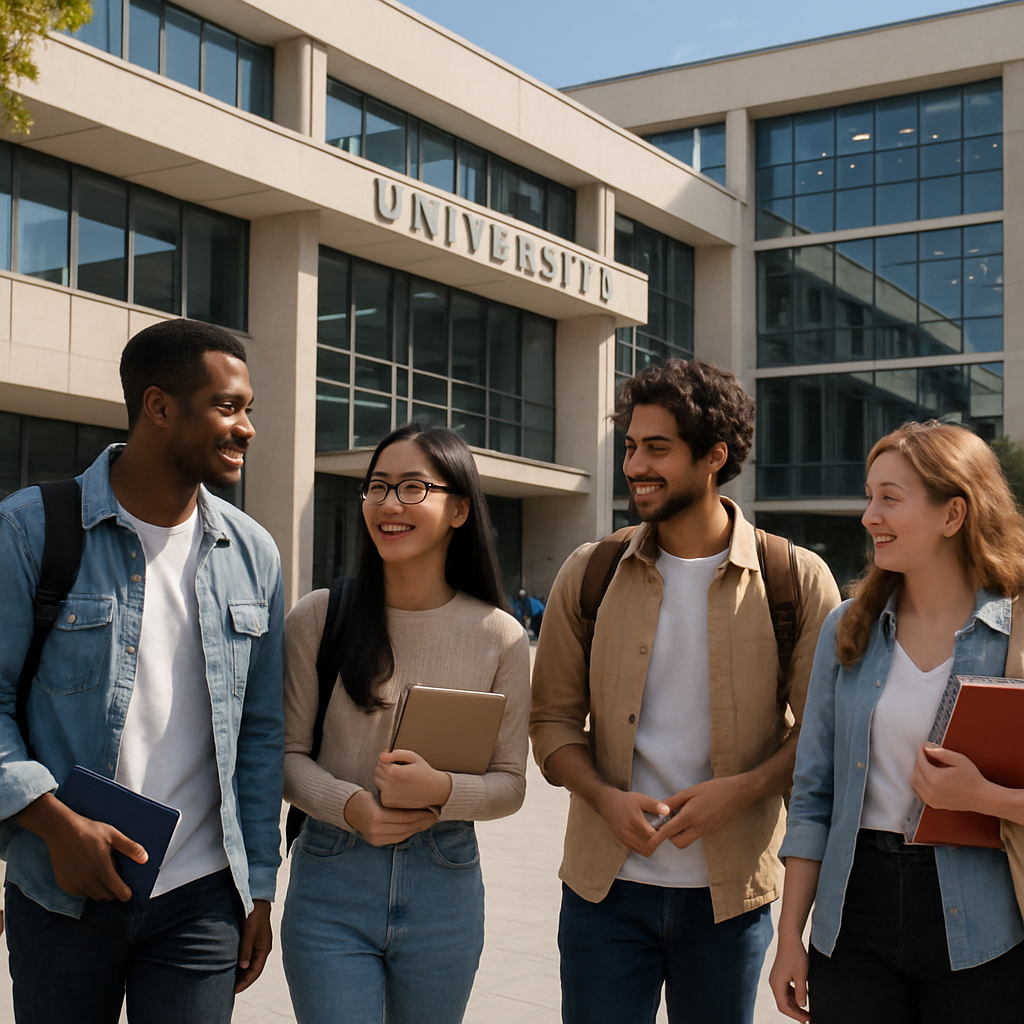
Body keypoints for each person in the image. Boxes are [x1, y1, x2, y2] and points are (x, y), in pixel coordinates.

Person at [529, 358, 841, 1024]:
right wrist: (603, 797)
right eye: (630, 447)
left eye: (657, 448)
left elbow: (821, 736)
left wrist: (744, 789)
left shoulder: (795, 577)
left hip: (730, 902)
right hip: (603, 896)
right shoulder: (590, 571)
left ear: (714, 456)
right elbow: (550, 721)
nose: (635, 465)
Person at [0, 319, 285, 1023]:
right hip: (61, 885)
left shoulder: (254, 553)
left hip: (201, 896)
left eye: (248, 409)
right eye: (227, 406)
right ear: (159, 406)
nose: (246, 428)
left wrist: (257, 885)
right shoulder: (30, 529)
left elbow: (259, 733)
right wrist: (55, 825)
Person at [770, 419, 1024, 1024]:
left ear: (952, 514)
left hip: (984, 923)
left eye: (890, 498)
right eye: (869, 496)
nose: (869, 516)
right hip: (853, 918)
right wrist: (790, 937)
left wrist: (982, 797)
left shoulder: (1017, 633)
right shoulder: (847, 627)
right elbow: (814, 795)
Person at [280, 423, 530, 1024]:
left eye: (413, 488)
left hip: (445, 882)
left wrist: (441, 790)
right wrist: (351, 807)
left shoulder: (501, 635)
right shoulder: (319, 616)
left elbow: (511, 783)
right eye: (378, 487)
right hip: (332, 877)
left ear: (459, 509)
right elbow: (283, 756)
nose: (390, 504)